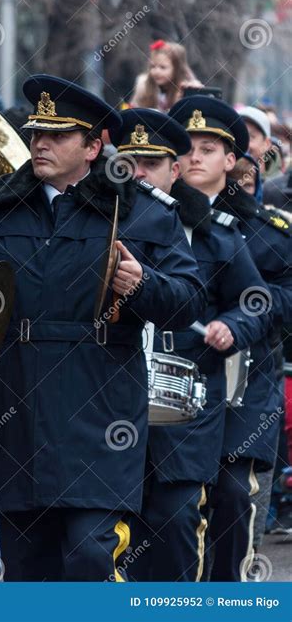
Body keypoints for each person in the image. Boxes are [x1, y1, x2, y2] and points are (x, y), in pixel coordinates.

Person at [0, 74, 205, 582]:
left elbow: (188, 299)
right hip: (16, 405)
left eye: (58, 135)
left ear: (94, 146)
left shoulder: (139, 210)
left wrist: (143, 284)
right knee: (27, 563)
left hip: (100, 406)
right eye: (35, 133)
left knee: (89, 553)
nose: (40, 143)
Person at [111, 108, 270, 582]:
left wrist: (232, 326)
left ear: (172, 170)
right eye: (130, 161)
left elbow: (255, 300)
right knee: (102, 528)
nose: (138, 173)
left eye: (151, 163)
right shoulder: (94, 220)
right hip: (105, 395)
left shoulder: (213, 232)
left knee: (179, 517)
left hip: (187, 396)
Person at [170, 95, 292, 581]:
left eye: (208, 147)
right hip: (167, 377)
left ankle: (230, 598)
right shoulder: (150, 219)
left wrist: (245, 316)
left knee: (234, 493)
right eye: (187, 147)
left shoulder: (270, 230)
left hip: (245, 378)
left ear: (230, 160)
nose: (195, 157)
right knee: (173, 504)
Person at [128, 40, 202, 111]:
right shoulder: (144, 86)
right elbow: (133, 113)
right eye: (153, 66)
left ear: (177, 69)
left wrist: (194, 93)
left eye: (162, 67)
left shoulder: (187, 88)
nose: (156, 72)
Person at [239, 106, 272, 177]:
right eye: (238, 136)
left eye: (250, 137)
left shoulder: (279, 185)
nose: (242, 143)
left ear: (266, 144)